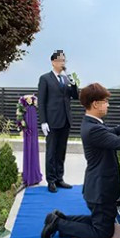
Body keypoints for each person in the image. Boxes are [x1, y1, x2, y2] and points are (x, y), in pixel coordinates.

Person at [41, 83, 120, 238]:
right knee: (102, 232)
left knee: (98, 221)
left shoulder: (92, 123)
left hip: (99, 187)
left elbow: (115, 132)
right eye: (105, 101)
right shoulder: (93, 128)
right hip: (101, 190)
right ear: (95, 104)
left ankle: (58, 217)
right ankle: (58, 224)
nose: (108, 104)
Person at [38, 50, 79, 193]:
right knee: (51, 152)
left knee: (61, 151)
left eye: (64, 61)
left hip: (66, 120)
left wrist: (73, 84)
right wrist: (43, 121)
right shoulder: (45, 79)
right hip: (52, 121)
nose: (63, 63)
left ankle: (60, 178)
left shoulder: (66, 79)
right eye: (61, 60)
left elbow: (75, 96)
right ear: (53, 62)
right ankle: (51, 181)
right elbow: (41, 102)